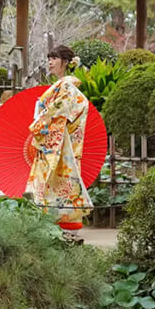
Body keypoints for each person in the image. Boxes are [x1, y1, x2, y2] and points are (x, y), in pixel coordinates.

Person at [26, 45, 93, 234]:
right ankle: (56, 221)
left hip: (60, 144)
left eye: (54, 58)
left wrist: (39, 121)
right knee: (56, 183)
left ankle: (62, 223)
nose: (50, 62)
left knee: (58, 181)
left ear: (65, 62)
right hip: (56, 142)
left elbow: (59, 112)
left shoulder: (67, 86)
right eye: (49, 58)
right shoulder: (63, 86)